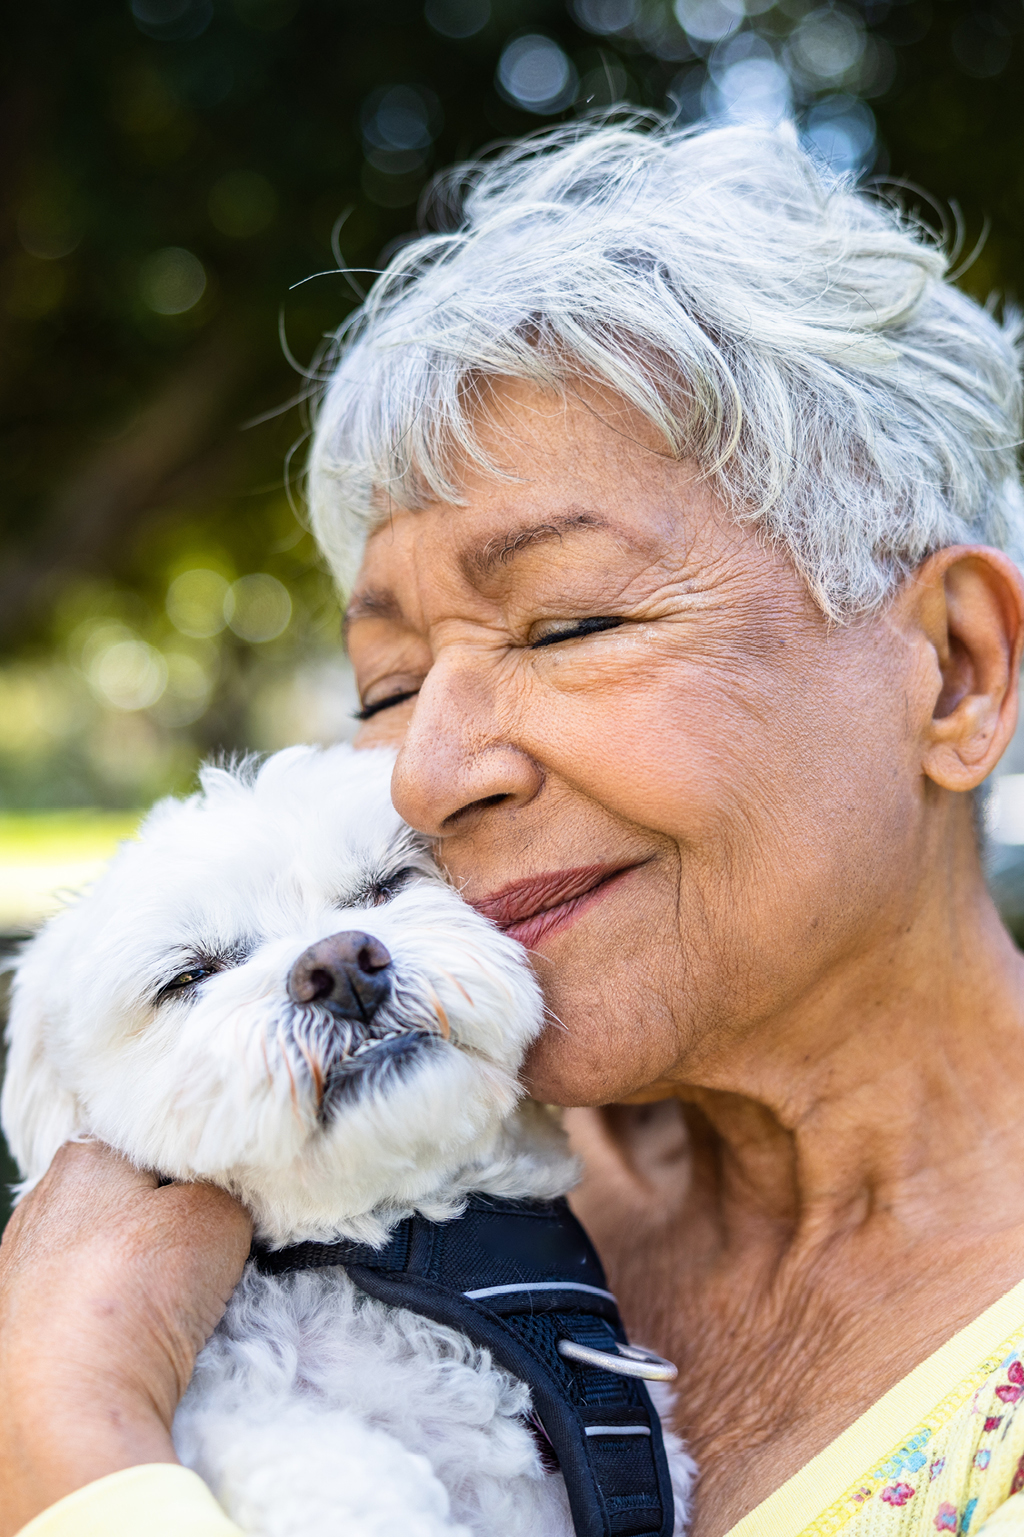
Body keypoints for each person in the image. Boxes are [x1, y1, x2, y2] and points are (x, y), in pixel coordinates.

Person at [4, 118, 1024, 1537]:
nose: (427, 769)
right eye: (392, 683)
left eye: (572, 620)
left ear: (958, 669)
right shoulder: (370, 1190)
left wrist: (63, 1436)